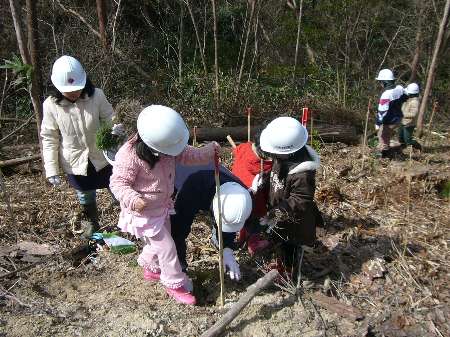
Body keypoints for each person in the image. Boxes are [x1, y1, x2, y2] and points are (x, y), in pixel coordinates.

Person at [109, 105, 219, 306]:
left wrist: (207, 152)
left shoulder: (167, 145)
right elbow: (118, 183)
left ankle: (150, 268)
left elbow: (187, 155)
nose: (170, 154)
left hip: (162, 207)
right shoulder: (130, 154)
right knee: (168, 248)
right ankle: (174, 284)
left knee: (157, 245)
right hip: (143, 211)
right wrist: (133, 199)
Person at [40, 55, 120, 237]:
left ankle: (131, 223)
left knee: (118, 189)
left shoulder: (97, 95)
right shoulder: (51, 106)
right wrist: (51, 169)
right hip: (75, 161)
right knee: (85, 197)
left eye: (77, 88)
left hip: (103, 158)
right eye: (69, 91)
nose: (74, 93)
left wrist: (117, 131)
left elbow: (110, 119)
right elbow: (49, 137)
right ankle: (92, 229)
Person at [256, 116, 323, 278]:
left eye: (274, 153)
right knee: (279, 242)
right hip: (280, 215)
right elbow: (275, 174)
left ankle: (290, 274)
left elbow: (300, 200)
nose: (272, 155)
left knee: (291, 248)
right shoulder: (283, 157)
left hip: (295, 222)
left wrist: (276, 213)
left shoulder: (303, 173)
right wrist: (263, 180)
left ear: (288, 151)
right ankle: (281, 264)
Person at [171, 165, 253, 281]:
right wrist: (180, 271)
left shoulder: (242, 197)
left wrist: (227, 249)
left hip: (210, 183)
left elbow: (229, 221)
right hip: (178, 176)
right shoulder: (193, 187)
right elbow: (177, 230)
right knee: (176, 228)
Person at [230, 132, 272, 255]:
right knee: (255, 223)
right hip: (254, 202)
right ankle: (253, 244)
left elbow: (236, 150)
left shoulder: (244, 147)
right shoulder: (265, 165)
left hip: (237, 195)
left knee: (244, 219)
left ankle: (242, 237)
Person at [374, 68, 407, 158]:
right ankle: (387, 151)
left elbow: (382, 113)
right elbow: (406, 96)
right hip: (398, 118)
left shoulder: (385, 95)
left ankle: (382, 155)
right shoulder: (399, 88)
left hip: (390, 120)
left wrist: (377, 124)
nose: (380, 84)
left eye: (381, 82)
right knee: (386, 135)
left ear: (385, 82)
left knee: (381, 134)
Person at [399, 83, 422, 150]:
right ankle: (402, 150)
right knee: (400, 138)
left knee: (408, 140)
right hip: (402, 121)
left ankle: (418, 146)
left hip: (409, 124)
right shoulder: (408, 99)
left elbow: (413, 114)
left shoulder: (415, 102)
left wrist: (402, 114)